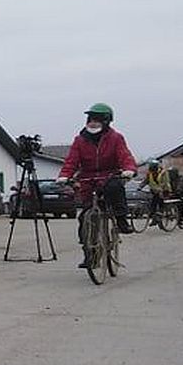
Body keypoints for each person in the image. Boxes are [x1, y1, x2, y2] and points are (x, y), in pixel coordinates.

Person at [56, 103, 137, 268]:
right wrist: (64, 176)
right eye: (91, 119)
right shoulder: (80, 140)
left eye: (98, 120)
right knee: (85, 217)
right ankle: (90, 255)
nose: (93, 122)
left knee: (115, 187)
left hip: (109, 176)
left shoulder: (116, 138)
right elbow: (71, 161)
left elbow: (125, 156)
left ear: (107, 121)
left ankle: (121, 219)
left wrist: (129, 169)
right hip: (88, 179)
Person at [139, 159, 171, 226]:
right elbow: (146, 181)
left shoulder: (163, 172)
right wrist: (140, 186)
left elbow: (165, 182)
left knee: (159, 202)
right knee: (153, 205)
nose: (152, 170)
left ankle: (159, 216)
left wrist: (160, 189)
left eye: (153, 168)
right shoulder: (150, 173)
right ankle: (154, 218)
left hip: (164, 190)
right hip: (154, 191)